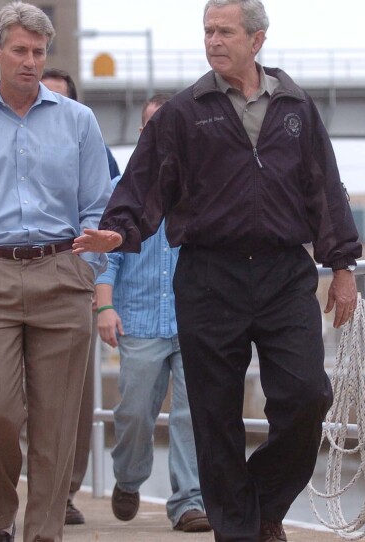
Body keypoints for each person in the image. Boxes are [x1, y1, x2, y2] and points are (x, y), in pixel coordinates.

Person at [73, 1, 362, 540]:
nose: (213, 41)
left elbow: (324, 187)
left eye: (224, 31)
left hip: (283, 274)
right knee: (213, 414)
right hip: (208, 274)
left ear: (257, 41)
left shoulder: (296, 107)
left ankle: (261, 501)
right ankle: (240, 529)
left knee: (307, 396)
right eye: (207, 31)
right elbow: (141, 183)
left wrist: (341, 263)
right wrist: (119, 230)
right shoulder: (185, 112)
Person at [0, 3, 111, 541]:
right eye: (20, 51)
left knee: (57, 425)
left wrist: (86, 264)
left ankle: (42, 533)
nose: (30, 61)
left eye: (38, 52)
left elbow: (98, 203)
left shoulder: (79, 121)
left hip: (62, 274)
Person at [95, 94, 211, 533]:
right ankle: (128, 477)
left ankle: (188, 501)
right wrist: (104, 305)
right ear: (143, 133)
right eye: (150, 125)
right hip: (139, 319)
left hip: (194, 320)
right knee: (133, 412)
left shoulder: (203, 188)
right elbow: (108, 257)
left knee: (192, 413)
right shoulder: (122, 190)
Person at [39, 66, 112, 527]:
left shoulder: (91, 144)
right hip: (10, 277)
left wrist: (92, 277)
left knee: (73, 398)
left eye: (57, 98)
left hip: (71, 279)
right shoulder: (4, 142)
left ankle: (64, 491)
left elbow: (108, 213)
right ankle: (18, 489)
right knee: (5, 402)